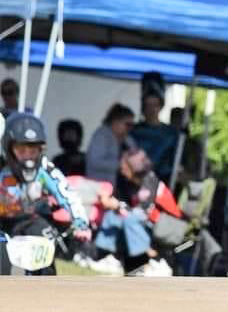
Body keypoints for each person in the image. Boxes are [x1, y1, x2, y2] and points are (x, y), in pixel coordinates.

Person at [0, 112, 92, 266]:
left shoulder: (44, 169)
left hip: (30, 220)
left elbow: (65, 192)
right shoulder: (3, 167)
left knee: (45, 244)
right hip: (3, 223)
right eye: (21, 151)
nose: (28, 157)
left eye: (33, 150)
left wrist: (80, 221)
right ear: (9, 148)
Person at [94, 147, 183, 275]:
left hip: (167, 227)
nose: (122, 170)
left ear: (134, 168)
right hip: (150, 223)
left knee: (130, 219)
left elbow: (142, 213)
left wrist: (118, 206)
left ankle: (151, 263)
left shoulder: (150, 181)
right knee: (112, 215)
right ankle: (108, 258)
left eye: (125, 167)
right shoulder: (134, 183)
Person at [130, 71, 180, 182]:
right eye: (148, 105)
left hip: (162, 184)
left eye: (155, 105)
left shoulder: (171, 134)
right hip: (135, 183)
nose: (151, 110)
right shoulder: (133, 131)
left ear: (161, 106)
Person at [86, 103, 136, 185]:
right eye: (128, 124)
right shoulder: (101, 136)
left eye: (132, 125)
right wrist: (120, 165)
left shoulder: (127, 139)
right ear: (116, 121)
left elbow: (135, 155)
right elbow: (95, 162)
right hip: (99, 187)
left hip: (121, 188)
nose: (130, 128)